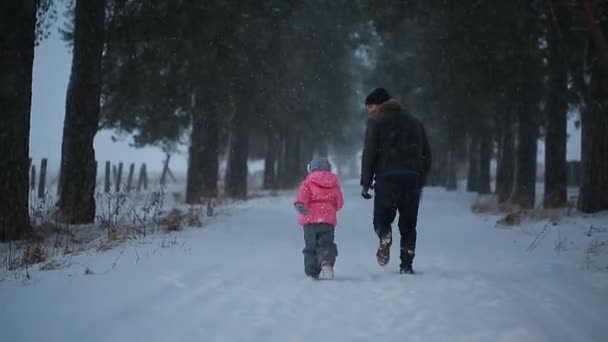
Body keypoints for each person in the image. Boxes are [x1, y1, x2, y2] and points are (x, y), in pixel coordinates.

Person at [360, 88, 432, 274]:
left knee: (381, 219)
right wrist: (420, 176)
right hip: (412, 179)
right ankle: (406, 264)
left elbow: (369, 153)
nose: (369, 110)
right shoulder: (415, 122)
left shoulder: (375, 122)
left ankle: (385, 236)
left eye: (370, 106)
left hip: (387, 178)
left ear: (380, 104)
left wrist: (366, 183)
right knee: (409, 224)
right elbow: (426, 154)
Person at [294, 158, 344, 280]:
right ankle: (326, 263)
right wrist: (330, 209)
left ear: (311, 169)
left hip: (309, 220)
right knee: (326, 243)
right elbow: (339, 202)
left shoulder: (307, 183)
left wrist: (300, 205)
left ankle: (312, 270)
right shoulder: (334, 184)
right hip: (327, 221)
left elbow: (302, 197)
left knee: (311, 246)